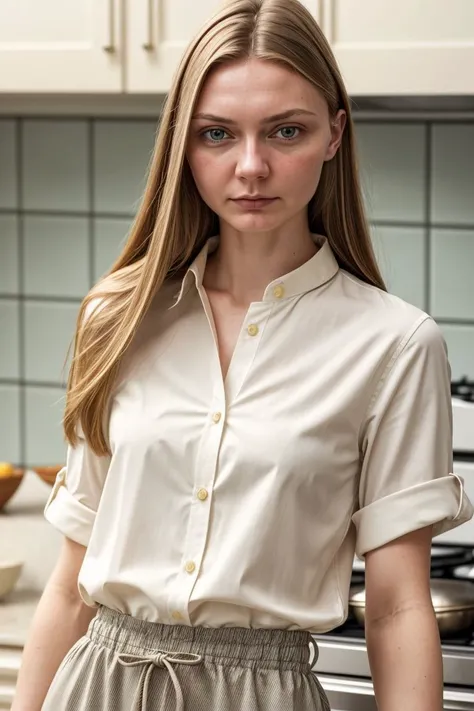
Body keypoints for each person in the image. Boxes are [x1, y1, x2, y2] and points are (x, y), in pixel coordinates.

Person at [12, 0, 473, 710]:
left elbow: (396, 607)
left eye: (286, 130)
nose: (251, 166)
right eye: (217, 134)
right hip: (94, 686)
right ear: (183, 145)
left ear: (333, 134)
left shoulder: (396, 346)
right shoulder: (118, 316)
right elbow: (73, 580)